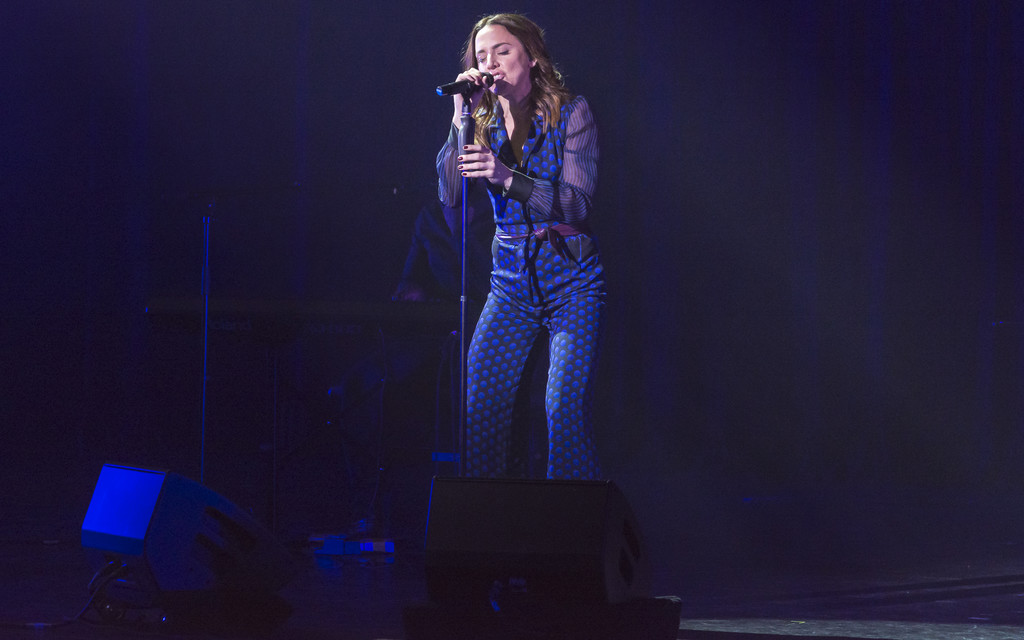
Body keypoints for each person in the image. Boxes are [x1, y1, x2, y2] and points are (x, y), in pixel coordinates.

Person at [437, 13, 605, 480]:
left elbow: (577, 204)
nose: (490, 63)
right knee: (480, 405)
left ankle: (572, 517)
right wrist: (459, 118)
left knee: (563, 408)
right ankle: (487, 516)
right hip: (510, 283)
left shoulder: (572, 112)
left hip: (572, 281)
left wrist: (507, 177)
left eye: (502, 51)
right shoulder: (480, 121)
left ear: (530, 57)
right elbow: (450, 195)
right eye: (482, 55)